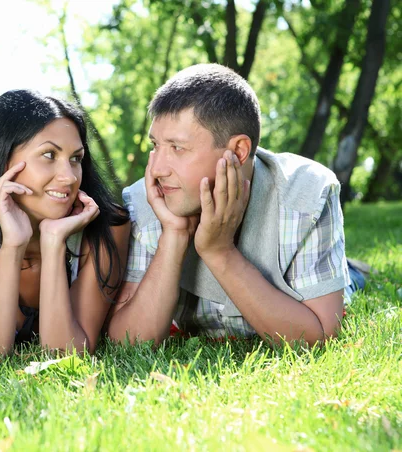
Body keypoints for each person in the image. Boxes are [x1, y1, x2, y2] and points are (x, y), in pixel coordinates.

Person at [107, 63, 360, 346]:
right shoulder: (146, 198)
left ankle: (352, 270)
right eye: (156, 146)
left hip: (313, 265)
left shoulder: (306, 194)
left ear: (238, 151)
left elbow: (320, 337)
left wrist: (220, 252)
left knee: (351, 279)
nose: (157, 169)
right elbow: (127, 343)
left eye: (177, 148)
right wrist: (174, 235)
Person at [0, 90, 130, 357]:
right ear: (1, 163)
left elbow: (66, 353)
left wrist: (54, 242)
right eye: (49, 155)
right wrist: (13, 247)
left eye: (75, 158)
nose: (70, 177)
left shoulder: (108, 227)